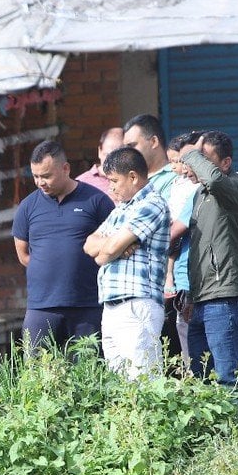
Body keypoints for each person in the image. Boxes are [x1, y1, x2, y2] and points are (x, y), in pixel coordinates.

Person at [12, 139, 114, 351]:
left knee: (87, 374)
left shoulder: (96, 200)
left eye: (47, 176)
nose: (41, 182)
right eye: (36, 176)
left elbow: (112, 245)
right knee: (37, 376)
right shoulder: (28, 206)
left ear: (65, 168)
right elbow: (23, 255)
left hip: (87, 305)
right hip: (41, 306)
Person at [83, 147, 171, 379]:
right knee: (120, 384)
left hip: (137, 303)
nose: (110, 187)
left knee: (142, 383)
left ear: (133, 177)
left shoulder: (151, 203)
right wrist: (113, 248)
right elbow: (90, 246)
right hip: (112, 305)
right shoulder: (121, 209)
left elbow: (108, 249)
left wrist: (111, 248)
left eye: (114, 181)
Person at [176, 130, 238, 387]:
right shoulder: (199, 196)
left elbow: (216, 181)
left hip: (224, 297)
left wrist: (190, 153)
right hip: (200, 299)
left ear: (225, 163)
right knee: (202, 380)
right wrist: (189, 293)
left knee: (226, 378)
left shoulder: (236, 188)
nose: (195, 164)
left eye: (204, 158)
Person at [123, 114, 190, 359]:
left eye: (133, 145)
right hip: (138, 287)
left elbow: (171, 229)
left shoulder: (179, 179)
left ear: (153, 141)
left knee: (175, 360)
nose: (129, 152)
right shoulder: (130, 182)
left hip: (168, 287)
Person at [165, 132, 203, 368]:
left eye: (183, 161)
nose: (180, 168)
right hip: (182, 275)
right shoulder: (177, 186)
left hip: (197, 278)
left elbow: (173, 232)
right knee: (186, 334)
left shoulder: (202, 191)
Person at [76, 128, 125, 193]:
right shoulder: (82, 183)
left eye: (120, 157)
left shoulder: (134, 180)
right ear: (100, 151)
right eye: (108, 155)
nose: (113, 161)